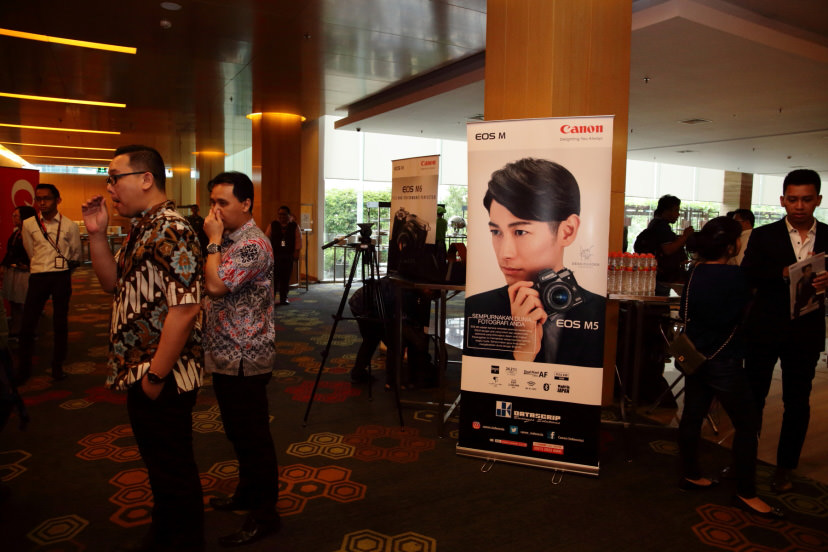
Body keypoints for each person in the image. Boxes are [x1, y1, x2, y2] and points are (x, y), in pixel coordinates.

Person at [81, 145, 204, 552]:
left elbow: (186, 308)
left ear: (146, 179)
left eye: (115, 178)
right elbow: (111, 283)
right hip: (143, 370)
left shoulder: (171, 228)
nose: (109, 188)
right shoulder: (144, 227)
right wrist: (96, 234)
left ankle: (182, 541)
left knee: (173, 468)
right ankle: (166, 534)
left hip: (162, 374)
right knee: (161, 466)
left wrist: (155, 376)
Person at [677, 216, 783, 519]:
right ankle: (747, 493)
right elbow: (741, 317)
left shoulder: (695, 272)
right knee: (748, 425)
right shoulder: (737, 277)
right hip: (724, 359)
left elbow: (686, 312)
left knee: (692, 417)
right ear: (730, 246)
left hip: (695, 356)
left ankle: (691, 474)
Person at [202, 171, 281, 547]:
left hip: (246, 357)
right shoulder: (231, 241)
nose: (214, 211)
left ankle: (265, 515)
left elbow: (215, 285)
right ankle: (247, 494)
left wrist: (212, 242)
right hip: (225, 354)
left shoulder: (253, 245)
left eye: (223, 203)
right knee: (237, 433)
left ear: (246, 203)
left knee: (253, 439)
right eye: (212, 202)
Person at [464, 158, 605, 367]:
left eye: (520, 232)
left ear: (567, 231)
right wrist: (522, 352)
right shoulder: (479, 308)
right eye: (496, 232)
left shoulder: (601, 312)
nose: (505, 253)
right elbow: (479, 384)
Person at [741, 168, 828, 494]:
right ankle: (743, 460)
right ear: (782, 200)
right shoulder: (764, 235)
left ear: (818, 200)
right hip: (765, 328)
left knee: (797, 401)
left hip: (806, 331)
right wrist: (782, 273)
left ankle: (785, 467)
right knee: (753, 399)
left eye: (806, 199)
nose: (799, 206)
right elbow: (747, 274)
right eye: (793, 199)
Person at [18, 184, 81, 382]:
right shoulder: (29, 224)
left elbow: (76, 253)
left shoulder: (69, 225)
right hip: (38, 275)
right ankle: (23, 368)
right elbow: (30, 250)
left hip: (61, 276)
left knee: (60, 323)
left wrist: (63, 268)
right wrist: (41, 264)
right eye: (38, 199)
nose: (42, 203)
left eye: (47, 198)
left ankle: (57, 365)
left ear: (57, 200)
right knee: (28, 323)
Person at [348, 276, 435, 389]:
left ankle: (358, 373)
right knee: (393, 341)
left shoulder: (412, 285)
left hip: (360, 300)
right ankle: (392, 381)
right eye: (431, 292)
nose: (429, 295)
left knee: (371, 339)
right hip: (367, 305)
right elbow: (398, 319)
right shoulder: (406, 293)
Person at [640, 194, 694, 295]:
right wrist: (685, 236)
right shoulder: (662, 226)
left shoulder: (654, 224)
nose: (678, 214)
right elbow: (668, 250)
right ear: (666, 211)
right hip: (662, 278)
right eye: (676, 210)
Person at [1, 205, 37, 339]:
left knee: (27, 302)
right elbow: (10, 252)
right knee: (14, 301)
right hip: (14, 271)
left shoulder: (32, 234)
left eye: (16, 216)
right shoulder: (16, 233)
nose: (13, 218)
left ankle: (28, 330)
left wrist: (27, 265)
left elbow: (35, 253)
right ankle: (17, 327)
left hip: (26, 273)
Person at [266, 206, 301, 305]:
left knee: (285, 278)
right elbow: (266, 238)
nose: (282, 216)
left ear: (289, 215)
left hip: (288, 255)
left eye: (284, 214)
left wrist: (296, 253)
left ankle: (283, 298)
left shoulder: (294, 226)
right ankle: (271, 299)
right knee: (274, 279)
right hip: (275, 256)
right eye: (280, 214)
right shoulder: (272, 225)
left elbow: (298, 240)